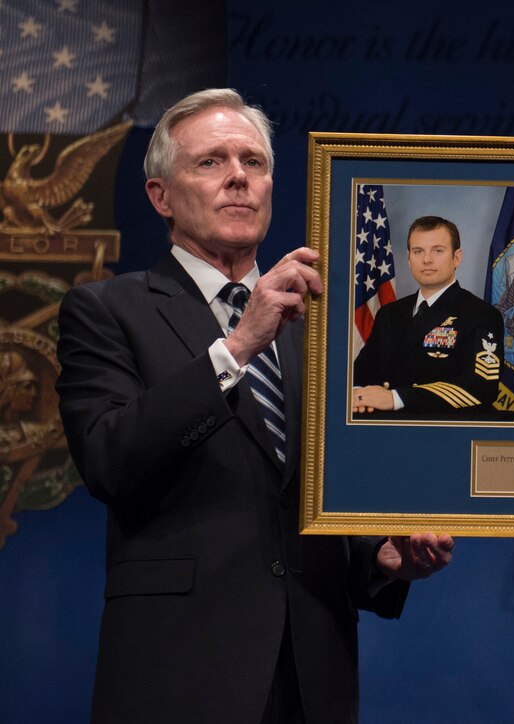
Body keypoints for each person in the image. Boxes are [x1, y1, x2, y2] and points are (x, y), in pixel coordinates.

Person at [56, 88, 454, 723]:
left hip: (311, 674)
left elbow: (312, 490)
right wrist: (237, 347)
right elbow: (109, 458)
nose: (239, 177)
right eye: (211, 162)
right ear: (161, 196)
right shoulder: (108, 310)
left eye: (254, 162)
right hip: (181, 673)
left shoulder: (324, 327)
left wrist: (378, 558)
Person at [351, 215, 504, 419]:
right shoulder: (389, 313)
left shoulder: (480, 314)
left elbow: (481, 386)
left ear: (456, 257)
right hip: (384, 429)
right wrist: (358, 395)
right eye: (418, 251)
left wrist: (396, 398)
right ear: (408, 257)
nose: (426, 259)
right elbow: (360, 373)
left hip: (443, 431)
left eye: (438, 250)